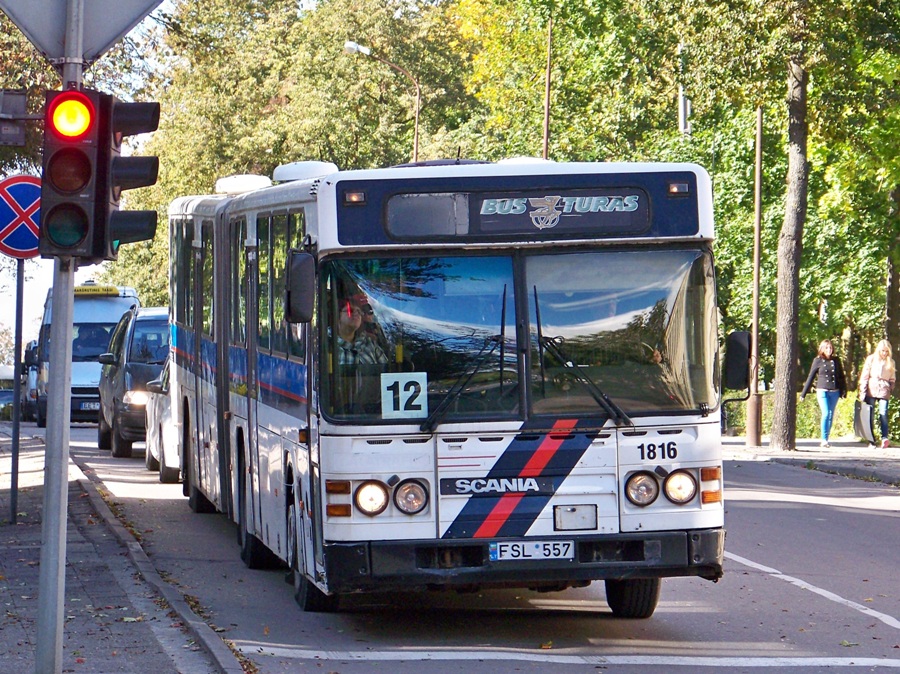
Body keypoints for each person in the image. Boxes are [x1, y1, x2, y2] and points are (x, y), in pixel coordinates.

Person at [800, 339, 847, 448]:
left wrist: (844, 390)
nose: (829, 350)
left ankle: (827, 437)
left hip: (834, 391)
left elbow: (841, 376)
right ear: (822, 349)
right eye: (826, 348)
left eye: (830, 348)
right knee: (826, 413)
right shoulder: (818, 360)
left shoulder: (836, 360)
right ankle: (824, 439)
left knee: (830, 415)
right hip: (822, 390)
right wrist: (803, 393)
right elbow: (810, 377)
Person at [858, 339, 895, 449]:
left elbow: (893, 378)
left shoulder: (891, 362)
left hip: (884, 389)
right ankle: (871, 440)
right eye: (883, 351)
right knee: (870, 414)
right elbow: (865, 376)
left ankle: (884, 437)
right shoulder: (871, 359)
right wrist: (862, 391)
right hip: (871, 388)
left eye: (886, 351)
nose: (884, 353)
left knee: (883, 413)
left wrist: (890, 387)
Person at [336, 295, 387, 366]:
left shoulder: (370, 344)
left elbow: (386, 372)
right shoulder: (325, 345)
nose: (356, 314)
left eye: (359, 311)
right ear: (338, 315)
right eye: (350, 310)